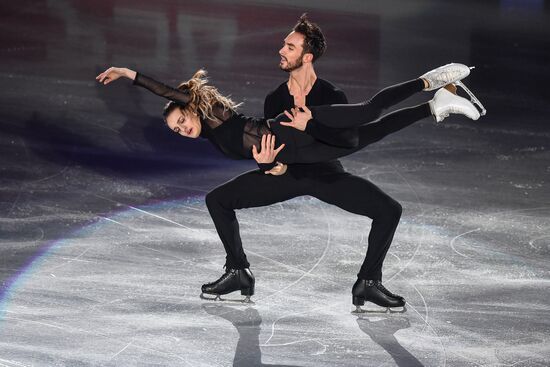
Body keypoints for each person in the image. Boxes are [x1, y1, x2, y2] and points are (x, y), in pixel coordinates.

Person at [96, 16, 484, 311]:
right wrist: (270, 168)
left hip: (309, 148)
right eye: (176, 130)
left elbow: (166, 90)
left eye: (181, 120)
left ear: (191, 109)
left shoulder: (214, 114)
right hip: (292, 163)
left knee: (368, 127)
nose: (181, 129)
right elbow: (277, 158)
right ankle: (238, 272)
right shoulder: (226, 126)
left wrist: (130, 74)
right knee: (219, 200)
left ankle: (429, 83)